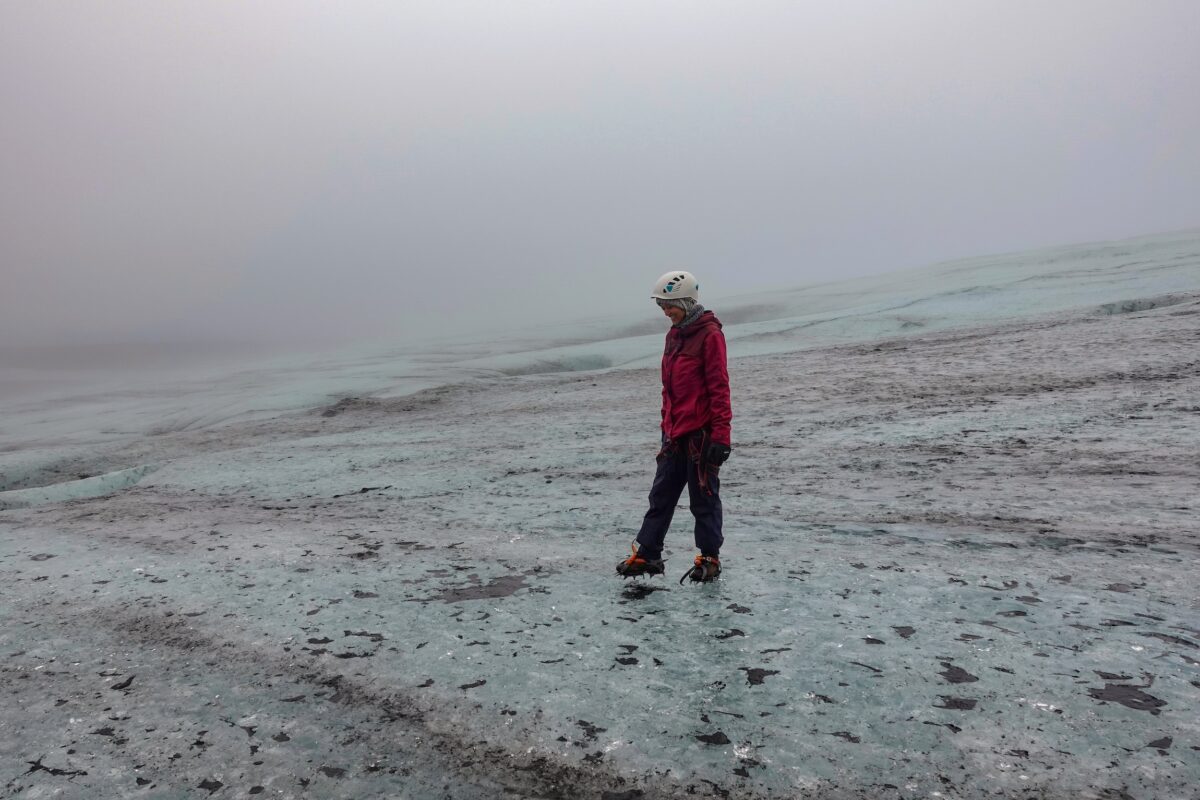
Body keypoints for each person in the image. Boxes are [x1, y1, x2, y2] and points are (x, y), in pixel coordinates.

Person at [617, 270, 732, 583]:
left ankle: (709, 558)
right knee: (661, 495)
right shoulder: (674, 335)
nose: (665, 312)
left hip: (701, 435)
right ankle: (648, 553)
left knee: (703, 498)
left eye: (670, 305)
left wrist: (721, 437)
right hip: (674, 434)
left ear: (685, 301)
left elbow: (719, 387)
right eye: (662, 307)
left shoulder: (710, 335)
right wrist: (666, 427)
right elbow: (669, 388)